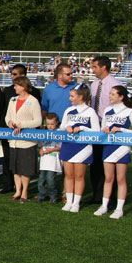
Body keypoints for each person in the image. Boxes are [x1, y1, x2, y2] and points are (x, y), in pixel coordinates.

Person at [95, 85, 132, 219]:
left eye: (113, 94)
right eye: (110, 93)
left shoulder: (130, 111)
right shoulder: (107, 110)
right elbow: (102, 127)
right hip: (109, 146)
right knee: (108, 178)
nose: (110, 96)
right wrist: (105, 129)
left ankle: (119, 208)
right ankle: (104, 205)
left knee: (121, 179)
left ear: (121, 97)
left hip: (122, 147)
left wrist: (121, 129)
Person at [0, 64, 42, 194]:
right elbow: (7, 117)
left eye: (17, 86)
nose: (14, 87)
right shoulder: (12, 99)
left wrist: (21, 124)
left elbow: (38, 121)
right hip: (14, 139)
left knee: (25, 168)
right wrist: (10, 123)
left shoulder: (33, 100)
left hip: (27, 140)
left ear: (23, 87)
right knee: (15, 167)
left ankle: (24, 191)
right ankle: (17, 191)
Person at [60, 84, 100, 213]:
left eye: (72, 96)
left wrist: (82, 128)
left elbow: (96, 131)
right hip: (68, 145)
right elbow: (61, 127)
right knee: (69, 175)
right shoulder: (68, 110)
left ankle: (76, 203)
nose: (70, 98)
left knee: (79, 175)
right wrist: (67, 127)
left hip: (83, 147)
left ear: (81, 96)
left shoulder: (90, 111)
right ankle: (69, 201)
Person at [88, 55, 122, 205]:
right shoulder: (94, 85)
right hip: (95, 127)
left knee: (108, 163)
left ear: (103, 67)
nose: (92, 69)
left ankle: (110, 198)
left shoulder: (115, 85)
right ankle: (96, 195)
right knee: (95, 163)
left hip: (108, 128)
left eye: (95, 67)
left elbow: (121, 108)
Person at [37, 113, 62, 204]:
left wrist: (52, 149)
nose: (50, 126)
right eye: (48, 124)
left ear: (57, 123)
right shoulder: (44, 132)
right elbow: (40, 145)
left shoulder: (59, 132)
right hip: (44, 161)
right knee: (41, 180)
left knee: (51, 180)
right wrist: (40, 150)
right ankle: (41, 195)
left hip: (53, 161)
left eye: (52, 124)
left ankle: (53, 196)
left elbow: (61, 146)